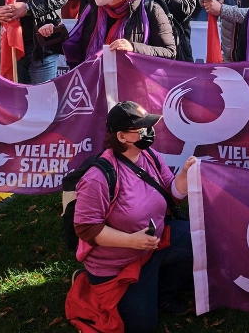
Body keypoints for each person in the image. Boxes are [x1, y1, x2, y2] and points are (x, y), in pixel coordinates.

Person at [67, 101, 197, 333]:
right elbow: (86, 228)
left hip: (152, 247)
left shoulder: (150, 156)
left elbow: (171, 194)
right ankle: (86, 282)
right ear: (122, 136)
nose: (150, 132)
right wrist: (131, 241)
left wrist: (185, 175)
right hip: (117, 264)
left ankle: (162, 293)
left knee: (196, 238)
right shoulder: (98, 177)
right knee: (142, 327)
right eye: (142, 128)